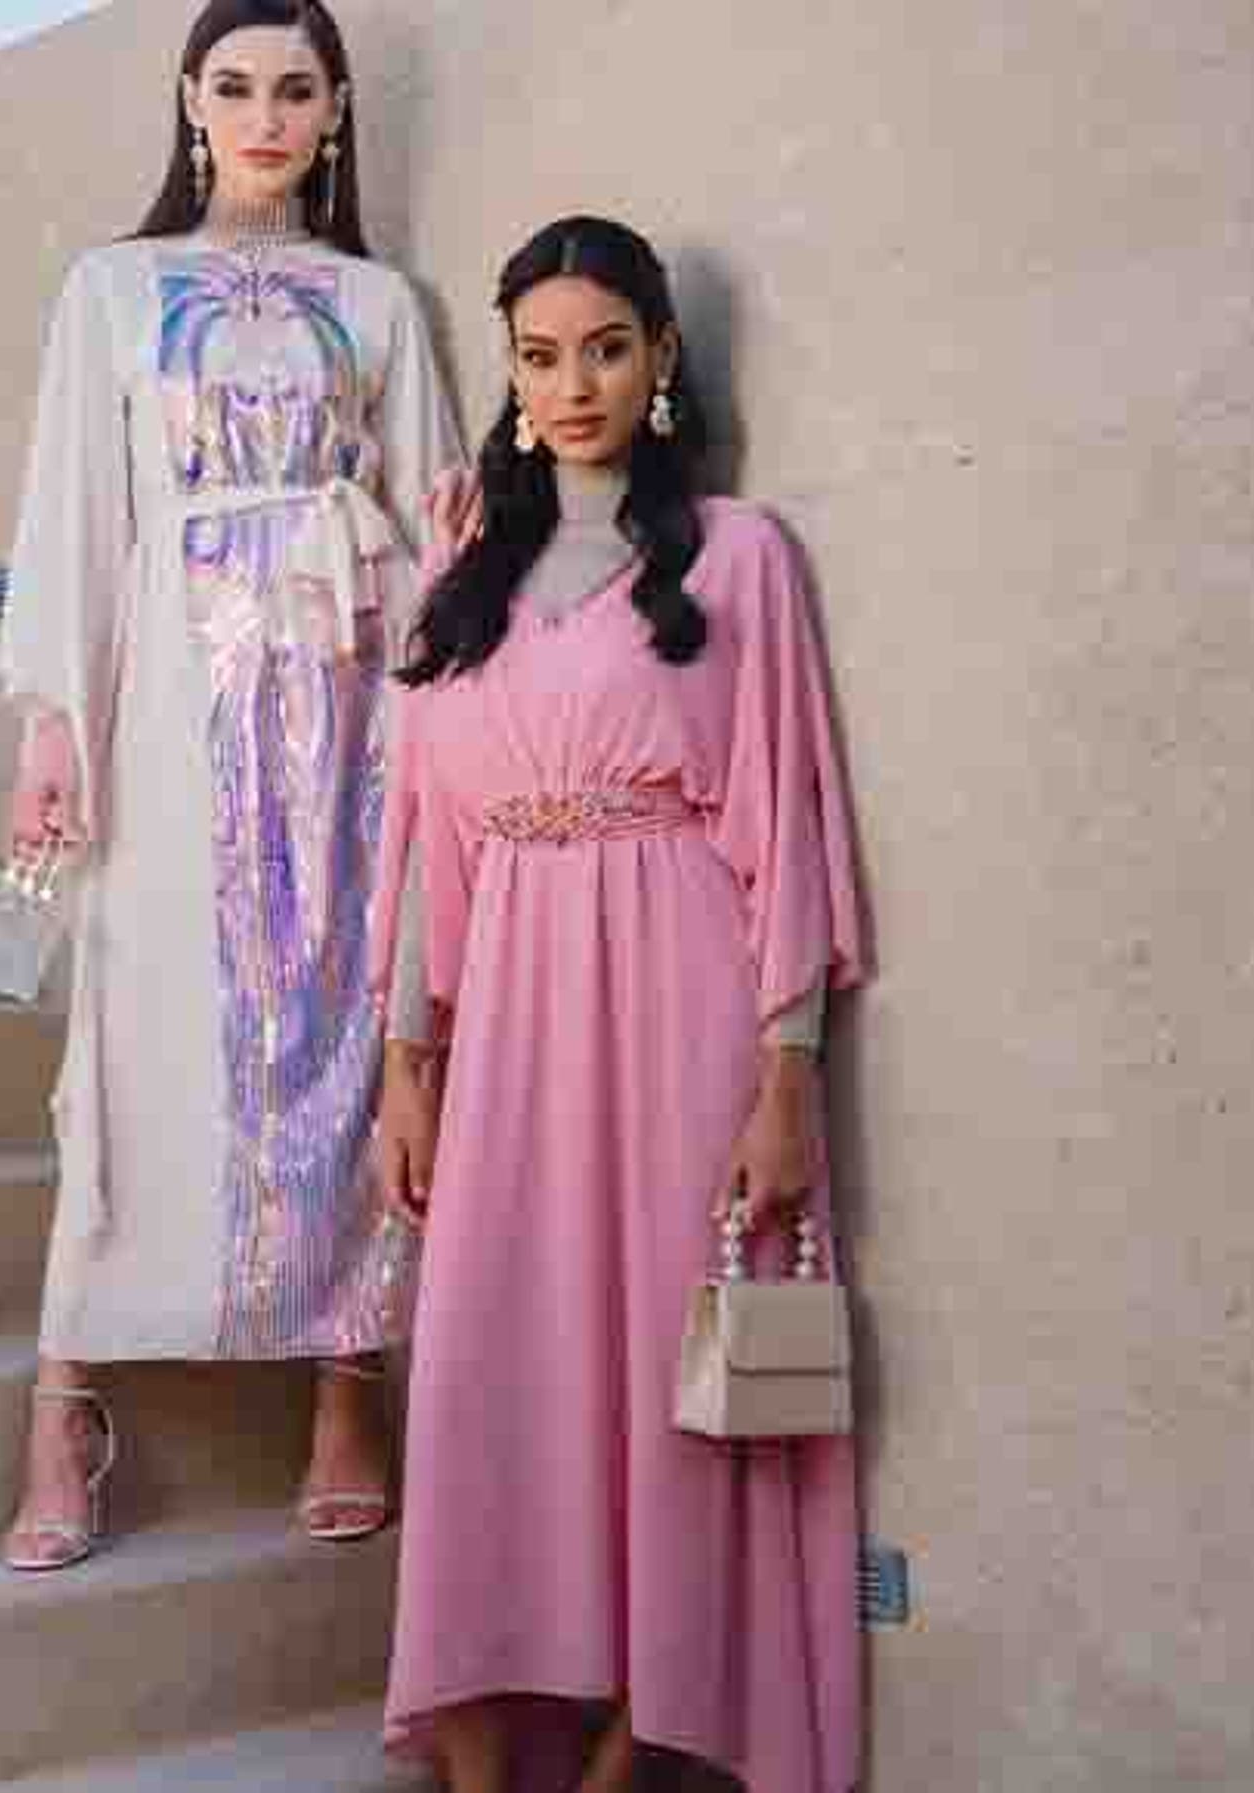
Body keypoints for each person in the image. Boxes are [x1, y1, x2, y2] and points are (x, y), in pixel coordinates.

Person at [372, 215, 869, 1792]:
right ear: (511, 378)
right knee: (485, 1378)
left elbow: (786, 819)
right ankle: (476, 1752)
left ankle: (627, 1750)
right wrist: (406, 1062)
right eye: (539, 356)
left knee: (663, 1383)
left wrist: (787, 1072)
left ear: (660, 357)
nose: (572, 383)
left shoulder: (737, 553)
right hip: (510, 1015)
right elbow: (424, 841)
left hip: (681, 1000)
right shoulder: (464, 577)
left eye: (604, 347)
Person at [0, 0, 460, 1574]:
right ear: (192, 102)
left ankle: (347, 1385)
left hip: (350, 708)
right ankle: (64, 1403)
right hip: (170, 715)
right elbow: (75, 514)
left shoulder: (381, 306)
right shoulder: (113, 290)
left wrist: (444, 717)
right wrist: (54, 724)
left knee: (343, 1020)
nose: (267, 117)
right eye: (238, 87)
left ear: (336, 114)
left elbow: (435, 520)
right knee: (132, 1038)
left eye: (297, 90)